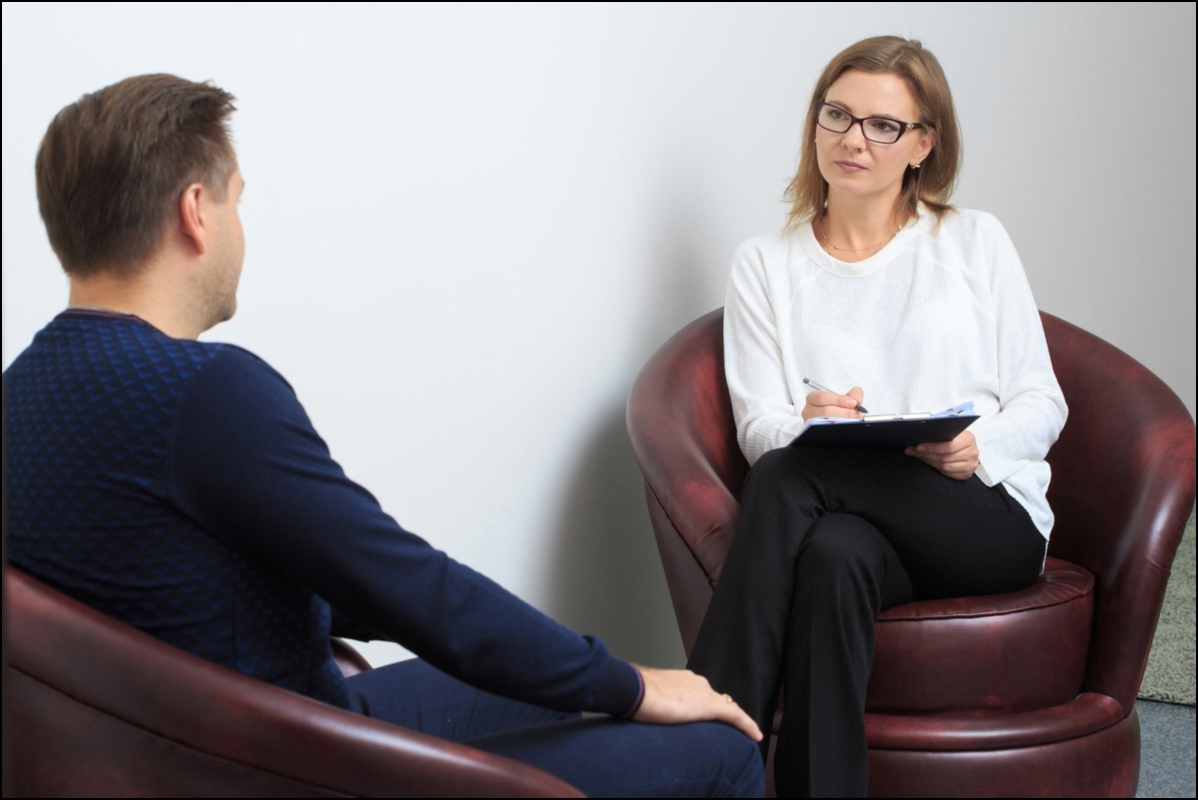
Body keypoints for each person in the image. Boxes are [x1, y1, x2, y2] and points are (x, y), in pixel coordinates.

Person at [2, 73, 764, 798]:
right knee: (718, 747)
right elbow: (407, 588)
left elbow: (179, 577)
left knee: (559, 679)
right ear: (195, 211)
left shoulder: (22, 393)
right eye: (237, 200)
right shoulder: (206, 392)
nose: (240, 229)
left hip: (169, 754)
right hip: (294, 767)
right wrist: (631, 686)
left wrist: (593, 673)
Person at [684, 36, 1067, 797]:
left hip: (980, 515)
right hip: (851, 518)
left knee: (794, 476)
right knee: (832, 554)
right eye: (837, 115)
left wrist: (977, 445)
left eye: (883, 125)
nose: (853, 139)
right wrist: (807, 418)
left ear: (923, 143)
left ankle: (700, 758)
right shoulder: (766, 263)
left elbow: (1043, 400)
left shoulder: (974, 240)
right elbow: (760, 430)